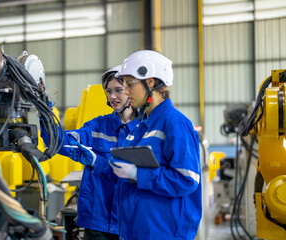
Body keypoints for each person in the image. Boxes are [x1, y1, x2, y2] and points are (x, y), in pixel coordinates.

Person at [109, 50, 202, 240]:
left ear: (150, 82)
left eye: (129, 84)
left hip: (164, 232)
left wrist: (138, 174)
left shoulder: (175, 123)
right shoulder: (142, 126)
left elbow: (187, 179)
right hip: (139, 230)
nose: (125, 91)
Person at [40, 65, 139, 240]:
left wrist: (98, 163)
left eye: (118, 90)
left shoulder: (144, 130)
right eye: (108, 91)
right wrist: (44, 111)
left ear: (131, 91)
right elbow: (60, 141)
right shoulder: (97, 126)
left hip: (132, 224)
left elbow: (140, 177)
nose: (112, 96)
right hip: (97, 223)